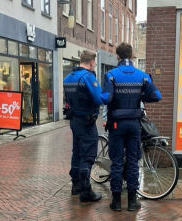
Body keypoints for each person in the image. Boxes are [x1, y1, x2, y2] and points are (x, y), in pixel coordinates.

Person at [100, 43, 161, 211]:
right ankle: (133, 202)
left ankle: (116, 202)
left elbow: (105, 98)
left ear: (117, 57)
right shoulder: (143, 76)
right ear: (132, 56)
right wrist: (141, 95)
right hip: (134, 125)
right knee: (133, 162)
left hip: (116, 125)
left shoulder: (111, 75)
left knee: (117, 162)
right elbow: (157, 96)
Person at [63, 50, 103, 202]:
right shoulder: (87, 77)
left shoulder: (68, 78)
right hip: (86, 122)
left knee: (77, 152)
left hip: (74, 121)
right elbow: (99, 98)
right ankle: (86, 190)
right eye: (94, 64)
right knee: (88, 154)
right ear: (92, 62)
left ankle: (76, 186)